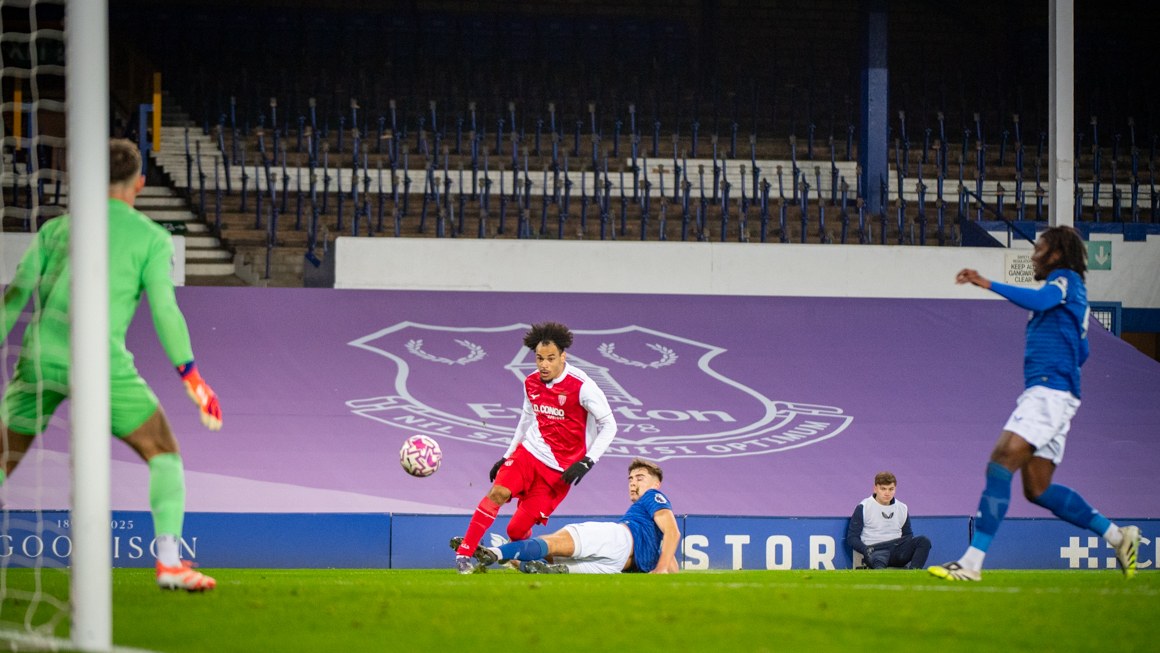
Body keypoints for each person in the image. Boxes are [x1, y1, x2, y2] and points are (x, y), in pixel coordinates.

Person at [0, 139, 222, 591]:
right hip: (102, 366)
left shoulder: (57, 230)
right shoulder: (151, 238)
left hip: (40, 360)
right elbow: (165, 311)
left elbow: (15, 295)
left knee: (4, 456)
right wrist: (191, 377)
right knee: (163, 453)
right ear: (140, 183)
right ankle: (169, 564)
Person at [930, 226, 1140, 582]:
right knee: (1037, 489)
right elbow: (1083, 350)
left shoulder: (1065, 281)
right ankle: (1117, 537)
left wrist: (987, 283)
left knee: (1000, 461)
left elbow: (1041, 302)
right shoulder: (1072, 294)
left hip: (1048, 393)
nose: (1032, 255)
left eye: (1038, 248)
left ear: (1056, 254)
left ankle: (971, 564)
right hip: (1057, 393)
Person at [452, 322, 617, 574]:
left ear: (563, 356)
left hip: (558, 473)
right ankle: (464, 554)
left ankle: (517, 555)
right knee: (498, 492)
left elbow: (610, 425)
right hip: (528, 454)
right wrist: (507, 455)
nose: (544, 365)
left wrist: (588, 461)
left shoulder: (583, 386)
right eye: (539, 358)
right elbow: (526, 419)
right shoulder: (531, 382)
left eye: (550, 358)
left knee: (515, 530)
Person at [469, 458, 679, 574]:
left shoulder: (653, 495)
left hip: (617, 551)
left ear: (655, 484)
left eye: (640, 478)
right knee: (550, 557)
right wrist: (663, 568)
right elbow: (670, 557)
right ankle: (497, 553)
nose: (633, 482)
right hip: (616, 559)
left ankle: (499, 553)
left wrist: (661, 569)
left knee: (551, 556)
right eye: (631, 478)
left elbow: (672, 532)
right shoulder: (651, 529)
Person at [845, 471, 930, 570]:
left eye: (891, 489)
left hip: (897, 548)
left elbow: (908, 535)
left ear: (895, 490)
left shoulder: (902, 508)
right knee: (879, 564)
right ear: (875, 489)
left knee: (923, 541)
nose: (887, 493)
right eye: (883, 489)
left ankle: (913, 573)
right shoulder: (864, 507)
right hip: (875, 549)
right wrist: (866, 550)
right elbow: (852, 538)